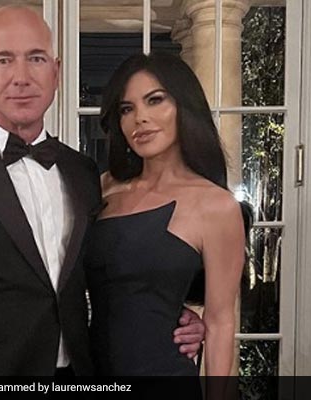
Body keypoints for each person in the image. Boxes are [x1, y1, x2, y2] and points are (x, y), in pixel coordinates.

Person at [0, 6, 204, 377]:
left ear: (55, 72)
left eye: (36, 58)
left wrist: (177, 317)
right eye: (3, 60)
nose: (21, 78)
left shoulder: (82, 171)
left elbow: (108, 276)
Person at [85, 52, 250, 379]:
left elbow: (220, 323)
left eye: (155, 100)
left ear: (185, 106)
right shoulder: (101, 189)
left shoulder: (217, 206)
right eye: (127, 109)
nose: (140, 118)